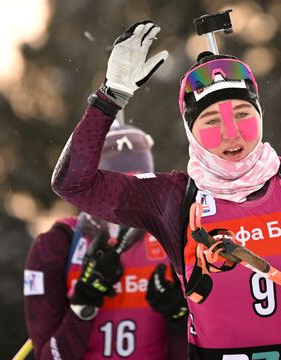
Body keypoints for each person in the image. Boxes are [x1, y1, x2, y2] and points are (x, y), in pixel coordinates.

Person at [51, 20, 281, 359]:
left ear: (260, 114)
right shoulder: (171, 198)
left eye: (241, 113)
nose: (231, 133)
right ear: (190, 131)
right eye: (211, 121)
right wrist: (110, 97)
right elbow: (73, 183)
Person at [24, 121, 188, 360]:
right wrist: (84, 304)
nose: (124, 209)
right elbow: (49, 357)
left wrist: (178, 318)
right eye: (112, 193)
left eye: (137, 192)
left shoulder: (173, 237)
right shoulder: (57, 245)